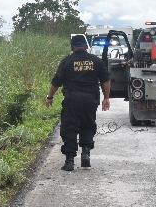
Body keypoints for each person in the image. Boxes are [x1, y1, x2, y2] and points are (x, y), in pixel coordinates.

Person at [46, 33, 111, 171]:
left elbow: (56, 81)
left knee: (70, 127)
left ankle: (69, 161)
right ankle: (86, 153)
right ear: (86, 46)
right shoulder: (96, 61)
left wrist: (50, 97)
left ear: (72, 47)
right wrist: (106, 98)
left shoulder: (67, 61)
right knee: (88, 125)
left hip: (72, 100)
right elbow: (105, 79)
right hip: (90, 99)